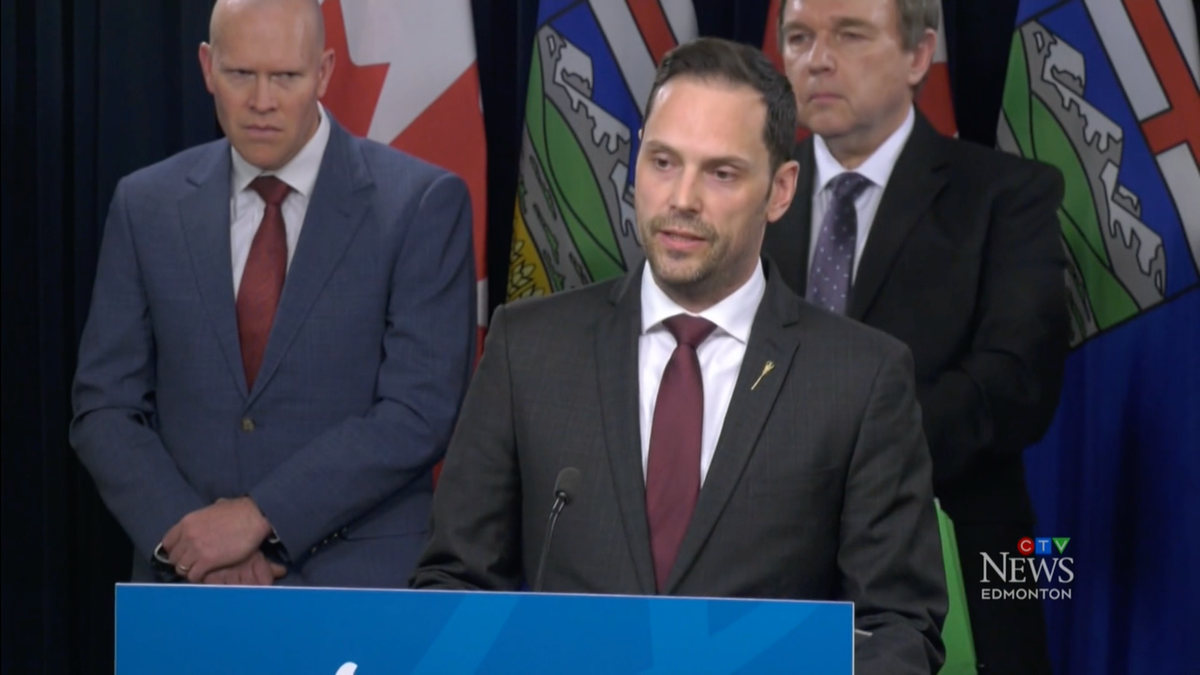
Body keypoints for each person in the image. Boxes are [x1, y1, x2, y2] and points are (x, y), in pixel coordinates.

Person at [411, 37, 947, 674]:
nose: (682, 199)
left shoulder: (859, 378)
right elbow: (454, 587)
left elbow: (899, 628)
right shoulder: (527, 348)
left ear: (780, 191)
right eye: (663, 162)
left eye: (720, 173)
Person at [69, 0, 475, 588]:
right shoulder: (146, 206)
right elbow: (104, 407)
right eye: (241, 75)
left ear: (325, 71)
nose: (263, 101)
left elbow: (419, 412)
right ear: (208, 68)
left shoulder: (418, 205)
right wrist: (193, 542)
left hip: (357, 584)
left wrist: (258, 517)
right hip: (187, 589)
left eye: (286, 76)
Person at [766, 1, 1069, 672]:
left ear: (918, 54)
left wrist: (840, 456)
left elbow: (1017, 383)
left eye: (848, 34)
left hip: (962, 565)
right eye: (798, 37)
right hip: (763, 569)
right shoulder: (747, 195)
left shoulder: (1007, 195)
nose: (817, 58)